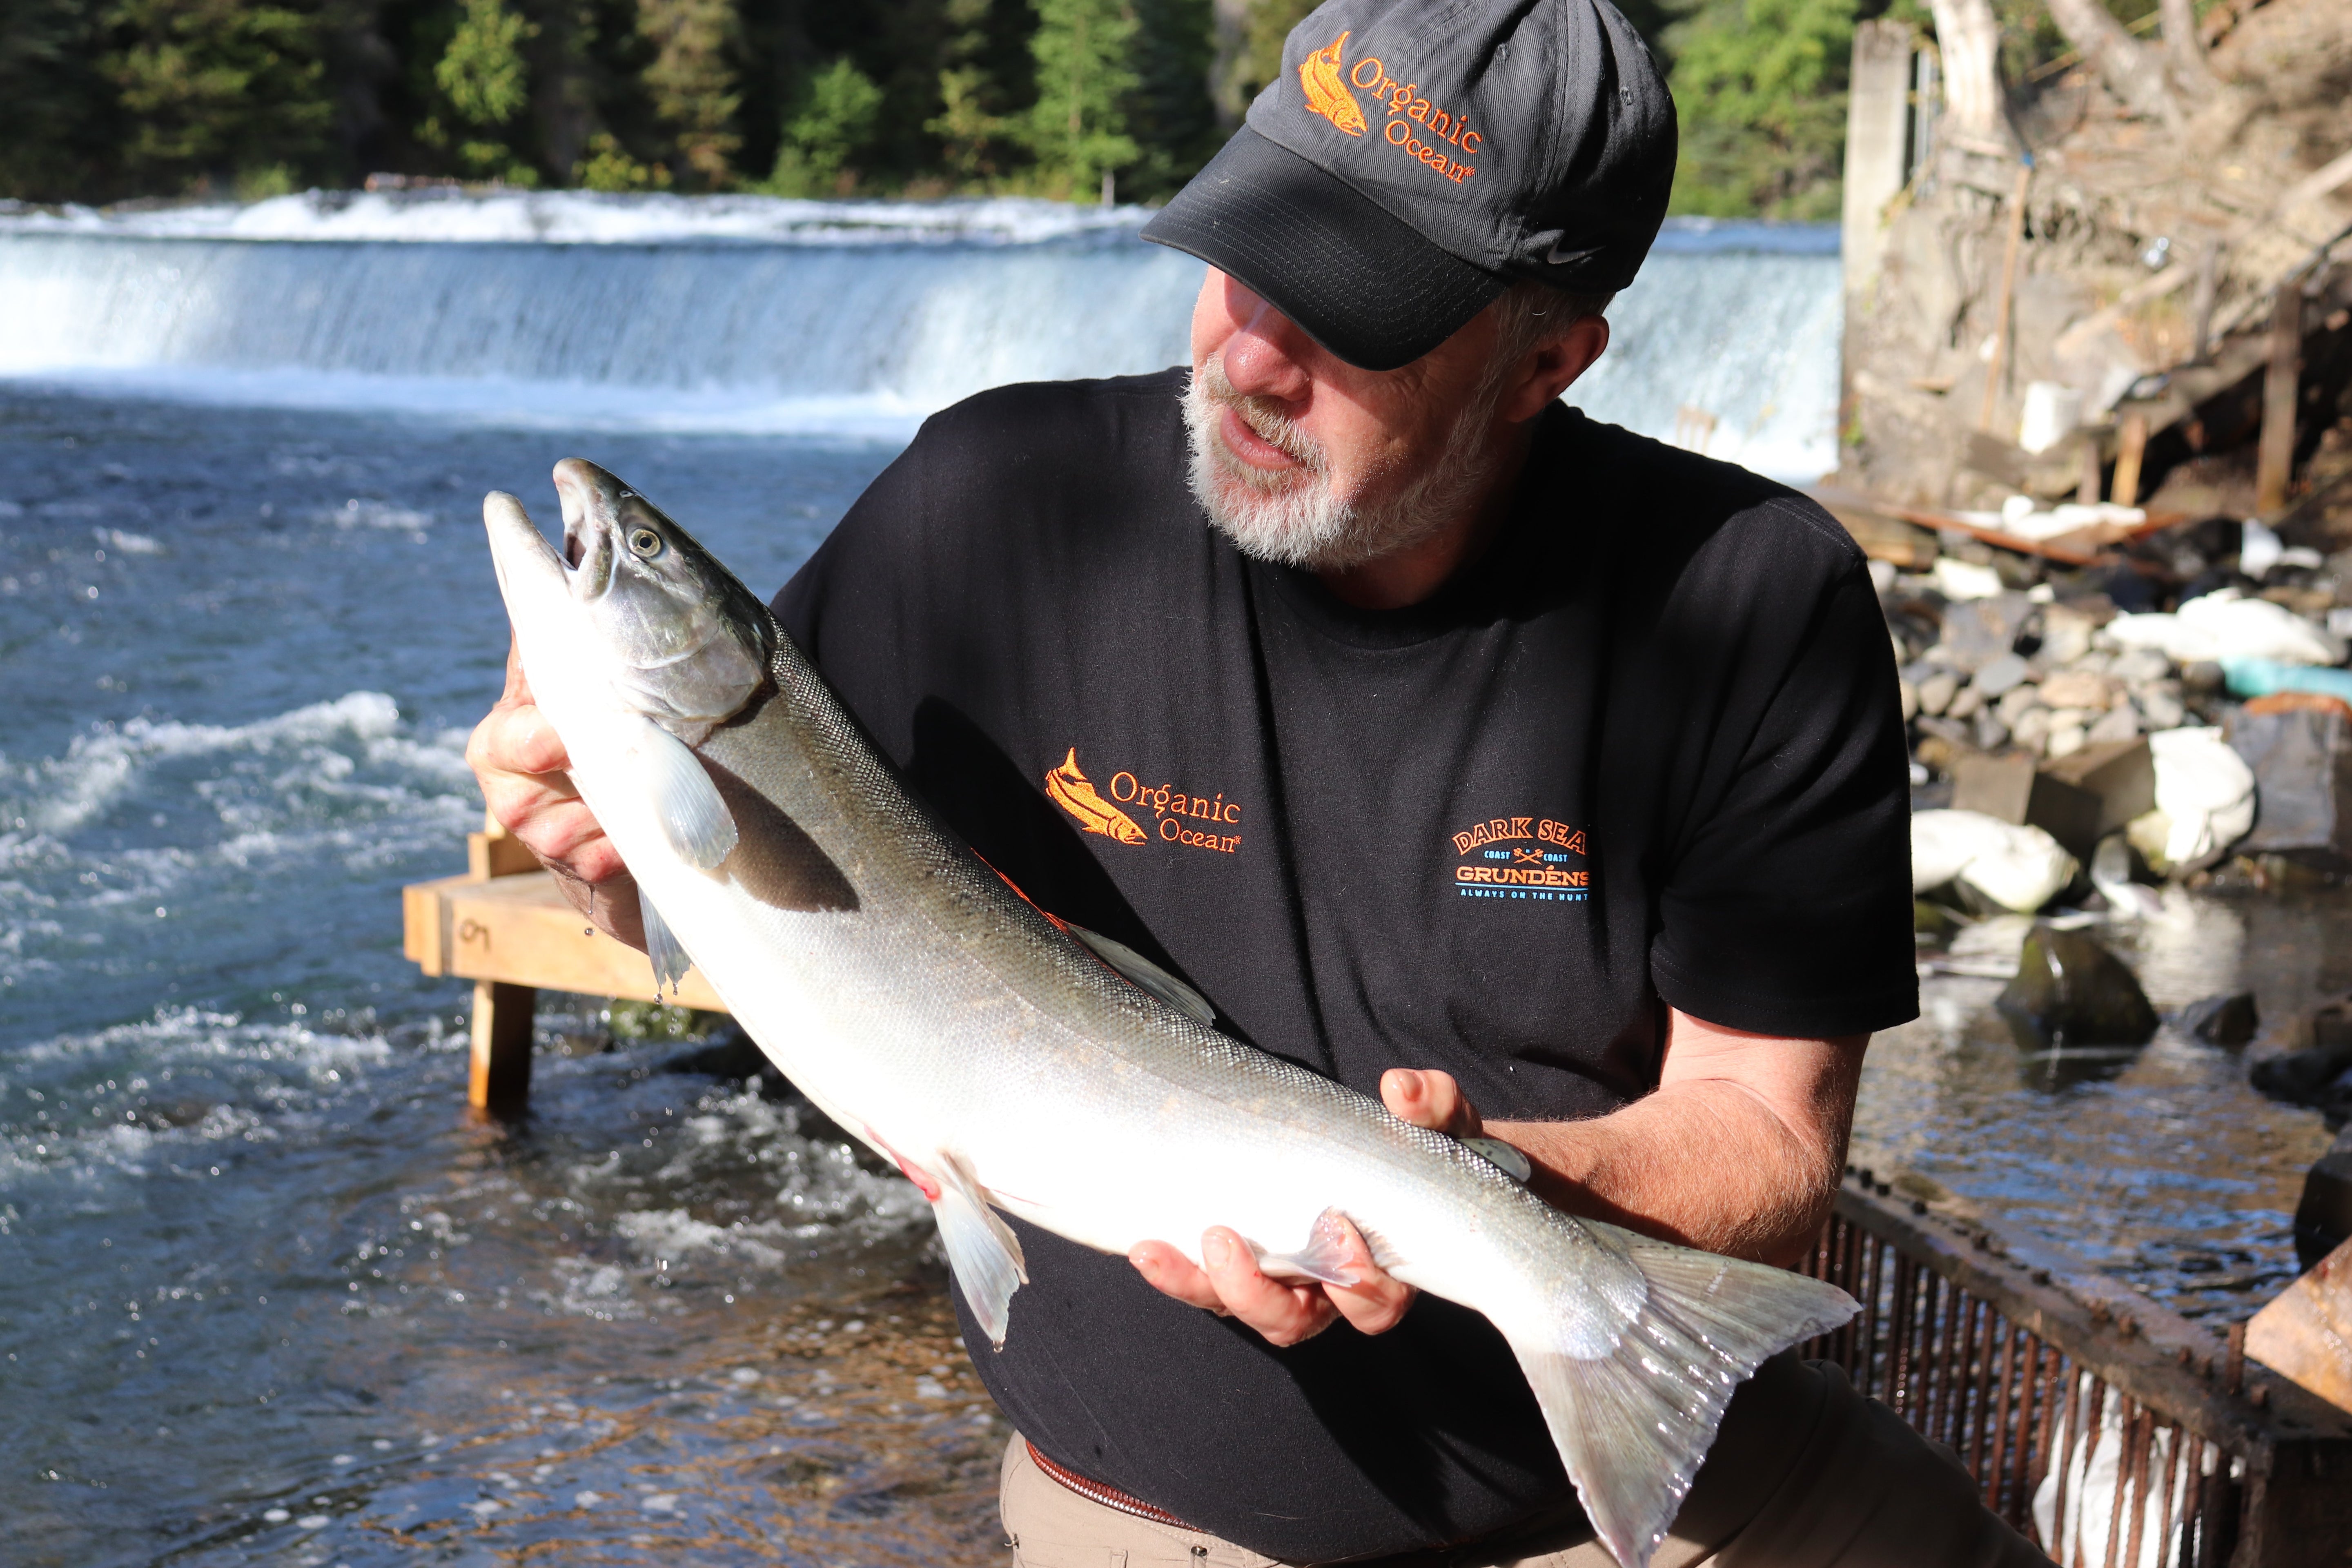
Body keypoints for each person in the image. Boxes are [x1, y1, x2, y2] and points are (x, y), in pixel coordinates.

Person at [468, 0, 2051, 1561]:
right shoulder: (984, 514)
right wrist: (587, 849)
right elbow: (761, 921)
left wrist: (1463, 1194)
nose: (1252, 351)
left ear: (1545, 361)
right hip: (1155, 1517)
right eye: (1248, 251)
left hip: (1617, 1495)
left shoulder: (1749, 606)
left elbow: (1768, 1146)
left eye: (1354, 306)